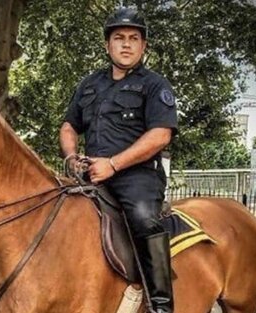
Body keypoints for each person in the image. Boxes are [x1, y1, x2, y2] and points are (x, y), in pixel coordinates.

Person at [59, 7, 177, 313]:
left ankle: (161, 305)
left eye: (134, 38)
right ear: (107, 45)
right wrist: (71, 156)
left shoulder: (155, 85)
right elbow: (69, 126)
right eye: (119, 38)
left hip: (136, 177)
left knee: (144, 220)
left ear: (143, 46)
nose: (126, 44)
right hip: (88, 174)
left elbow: (161, 135)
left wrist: (112, 164)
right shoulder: (89, 84)